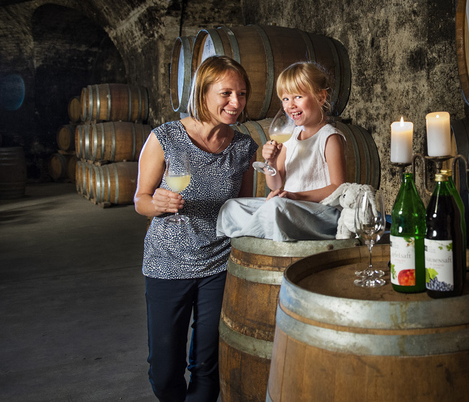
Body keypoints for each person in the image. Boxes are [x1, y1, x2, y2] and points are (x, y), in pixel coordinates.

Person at [133, 55, 259, 402]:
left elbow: (241, 210)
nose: (236, 103)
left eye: (242, 94)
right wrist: (155, 203)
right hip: (167, 263)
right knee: (164, 366)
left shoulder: (243, 147)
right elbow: (140, 199)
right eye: (226, 93)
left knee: (208, 362)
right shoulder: (165, 138)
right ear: (203, 93)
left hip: (219, 264)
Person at [216, 61, 346, 241]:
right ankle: (263, 228)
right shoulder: (291, 136)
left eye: (298, 97)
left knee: (276, 208)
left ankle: (259, 229)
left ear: (321, 97)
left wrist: (295, 196)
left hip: (321, 213)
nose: (290, 105)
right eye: (285, 99)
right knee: (232, 206)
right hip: (290, 207)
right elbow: (275, 184)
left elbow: (338, 188)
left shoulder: (329, 137)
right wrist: (271, 162)